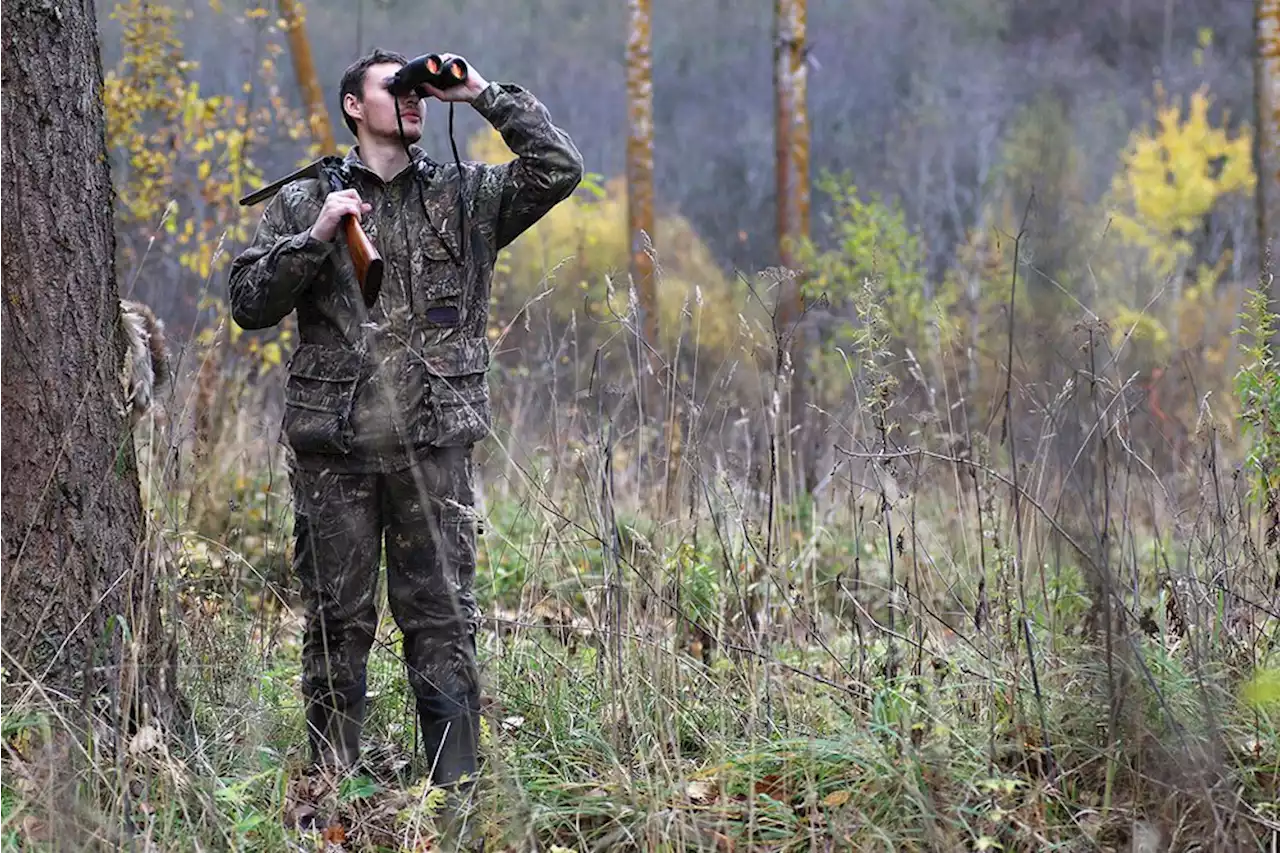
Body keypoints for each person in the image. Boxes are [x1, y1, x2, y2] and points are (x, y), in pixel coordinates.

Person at [227, 46, 583, 828]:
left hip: (433, 446)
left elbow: (558, 167)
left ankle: (454, 807)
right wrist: (320, 232)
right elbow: (248, 300)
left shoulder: (466, 195)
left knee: (443, 619)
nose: (415, 100)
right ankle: (333, 801)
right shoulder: (304, 201)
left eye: (421, 91)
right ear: (355, 106)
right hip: (338, 449)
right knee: (336, 621)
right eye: (399, 89)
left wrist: (481, 93)